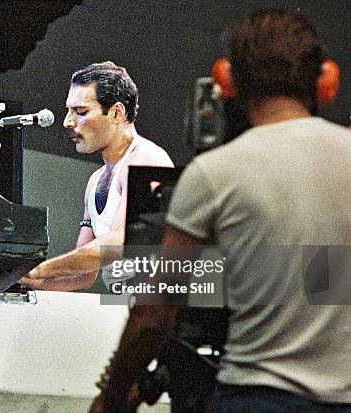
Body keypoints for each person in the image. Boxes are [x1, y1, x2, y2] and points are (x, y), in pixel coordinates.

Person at [89, 9, 351, 413]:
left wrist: (111, 395)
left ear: (228, 82)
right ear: (324, 81)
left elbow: (153, 316)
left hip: (253, 397)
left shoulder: (215, 173)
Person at [20, 61, 173, 291]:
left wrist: (39, 270)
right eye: (69, 111)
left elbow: (119, 243)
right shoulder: (95, 181)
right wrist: (18, 280)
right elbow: (83, 276)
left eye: (80, 112)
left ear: (116, 112)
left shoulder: (146, 158)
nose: (67, 122)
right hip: (131, 307)